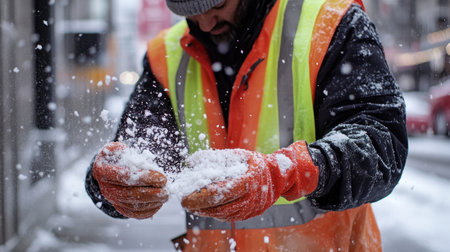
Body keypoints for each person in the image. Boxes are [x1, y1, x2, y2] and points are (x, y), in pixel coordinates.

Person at [85, 0, 408, 251]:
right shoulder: (166, 54)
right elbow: (139, 151)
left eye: (217, 5)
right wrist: (112, 183)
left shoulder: (331, 24)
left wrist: (286, 173)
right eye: (189, 12)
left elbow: (382, 143)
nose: (205, 22)